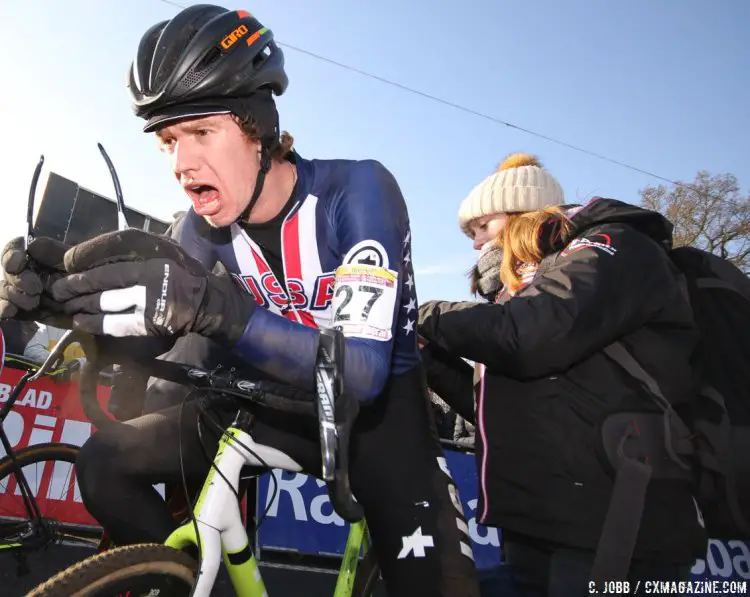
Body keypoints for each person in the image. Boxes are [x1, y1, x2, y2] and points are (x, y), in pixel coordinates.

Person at [0, 6, 479, 596]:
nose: (181, 163)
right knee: (103, 461)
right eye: (169, 140)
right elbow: (152, 334)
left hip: (376, 427)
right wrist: (58, 303)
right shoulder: (199, 231)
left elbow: (361, 373)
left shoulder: (356, 191)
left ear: (258, 128)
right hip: (270, 409)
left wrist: (221, 311)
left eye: (201, 132)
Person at [417, 153, 707, 595]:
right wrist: (426, 356)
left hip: (620, 524)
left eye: (482, 227)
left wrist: (421, 315)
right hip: (538, 523)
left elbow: (534, 335)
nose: (476, 245)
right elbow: (493, 407)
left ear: (521, 214)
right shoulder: (518, 298)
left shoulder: (614, 247)